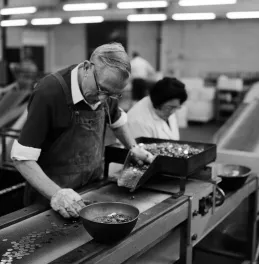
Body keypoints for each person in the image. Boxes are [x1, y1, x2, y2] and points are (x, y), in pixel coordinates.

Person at [11, 42, 153, 219]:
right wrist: (57, 194)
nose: (103, 99)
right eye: (102, 90)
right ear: (87, 67)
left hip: (90, 190)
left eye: (112, 95)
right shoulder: (49, 92)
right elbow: (22, 159)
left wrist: (133, 148)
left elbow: (117, 119)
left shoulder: (107, 88)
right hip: (50, 200)